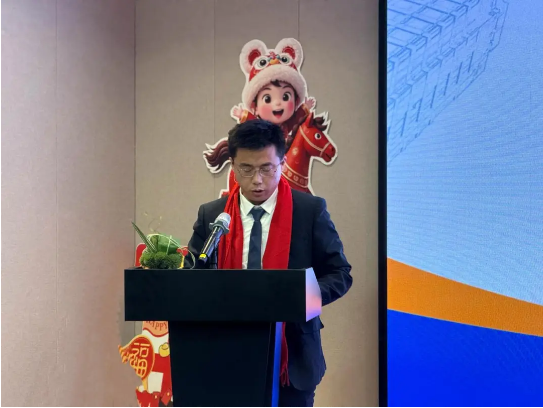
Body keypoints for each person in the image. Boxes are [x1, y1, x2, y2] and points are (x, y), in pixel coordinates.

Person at [188, 119, 352, 407]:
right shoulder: (213, 216)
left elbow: (340, 273)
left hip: (293, 355)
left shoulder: (309, 211)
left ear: (282, 163)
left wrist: (301, 297)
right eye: (246, 169)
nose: (257, 180)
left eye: (267, 169)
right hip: (225, 353)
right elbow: (192, 274)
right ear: (233, 166)